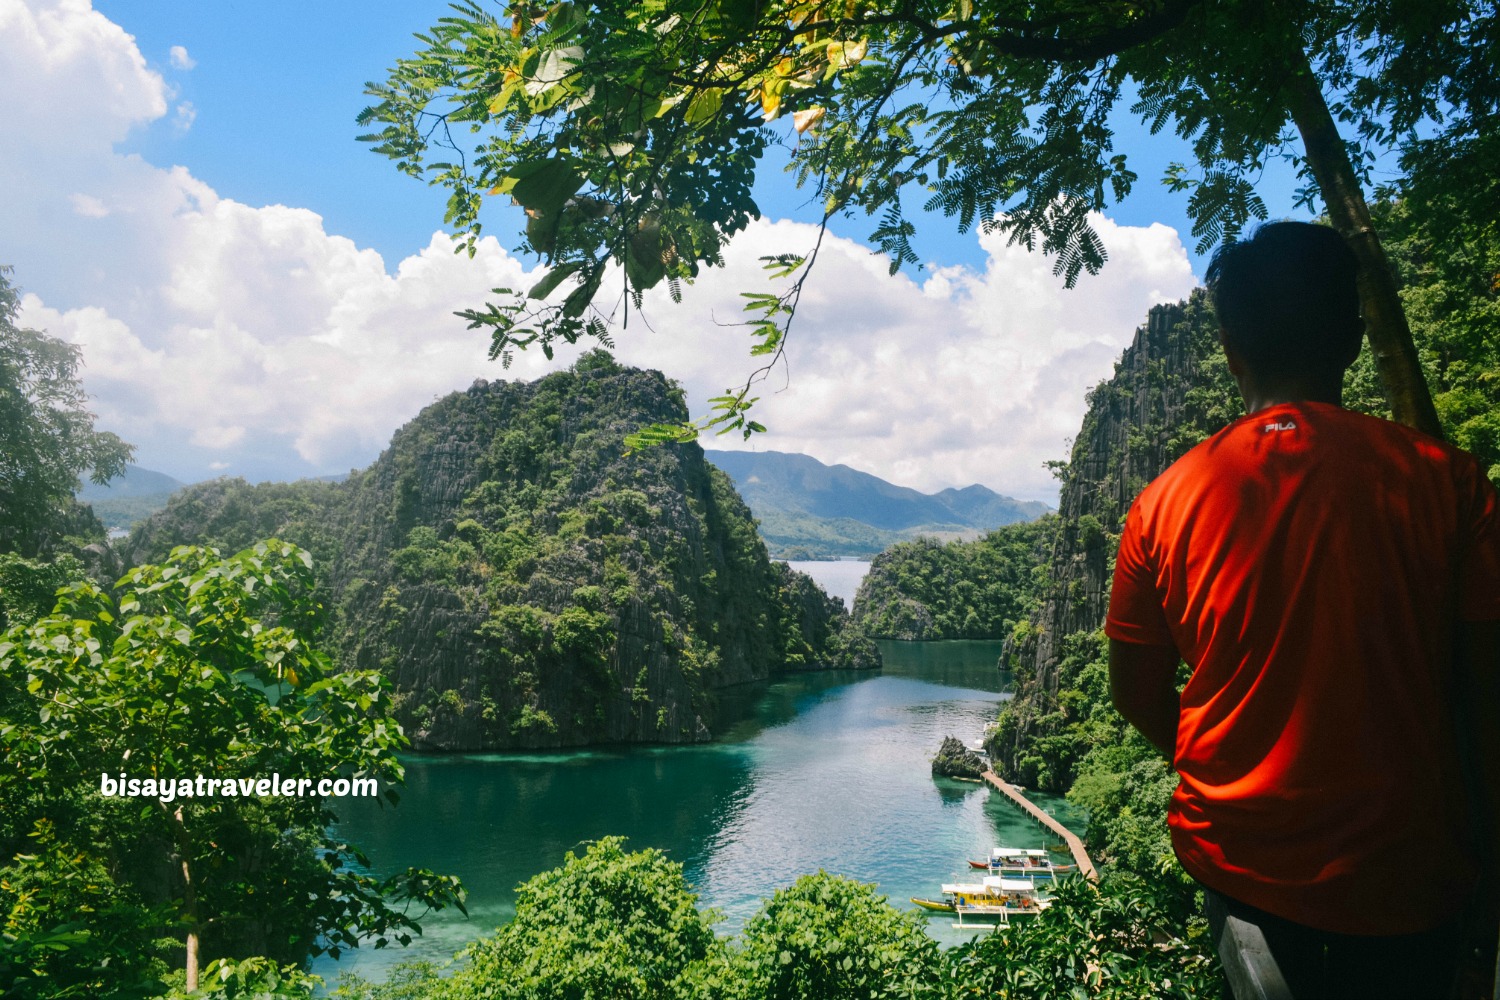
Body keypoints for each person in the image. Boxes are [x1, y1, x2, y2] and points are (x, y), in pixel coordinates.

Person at [1104, 221, 1500, 999]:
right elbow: (1489, 697)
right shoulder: (1445, 483)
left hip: (1240, 859)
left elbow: (1134, 690)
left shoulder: (1163, 501)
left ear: (1229, 347)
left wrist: (1218, 768)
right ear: (1353, 341)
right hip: (1410, 868)